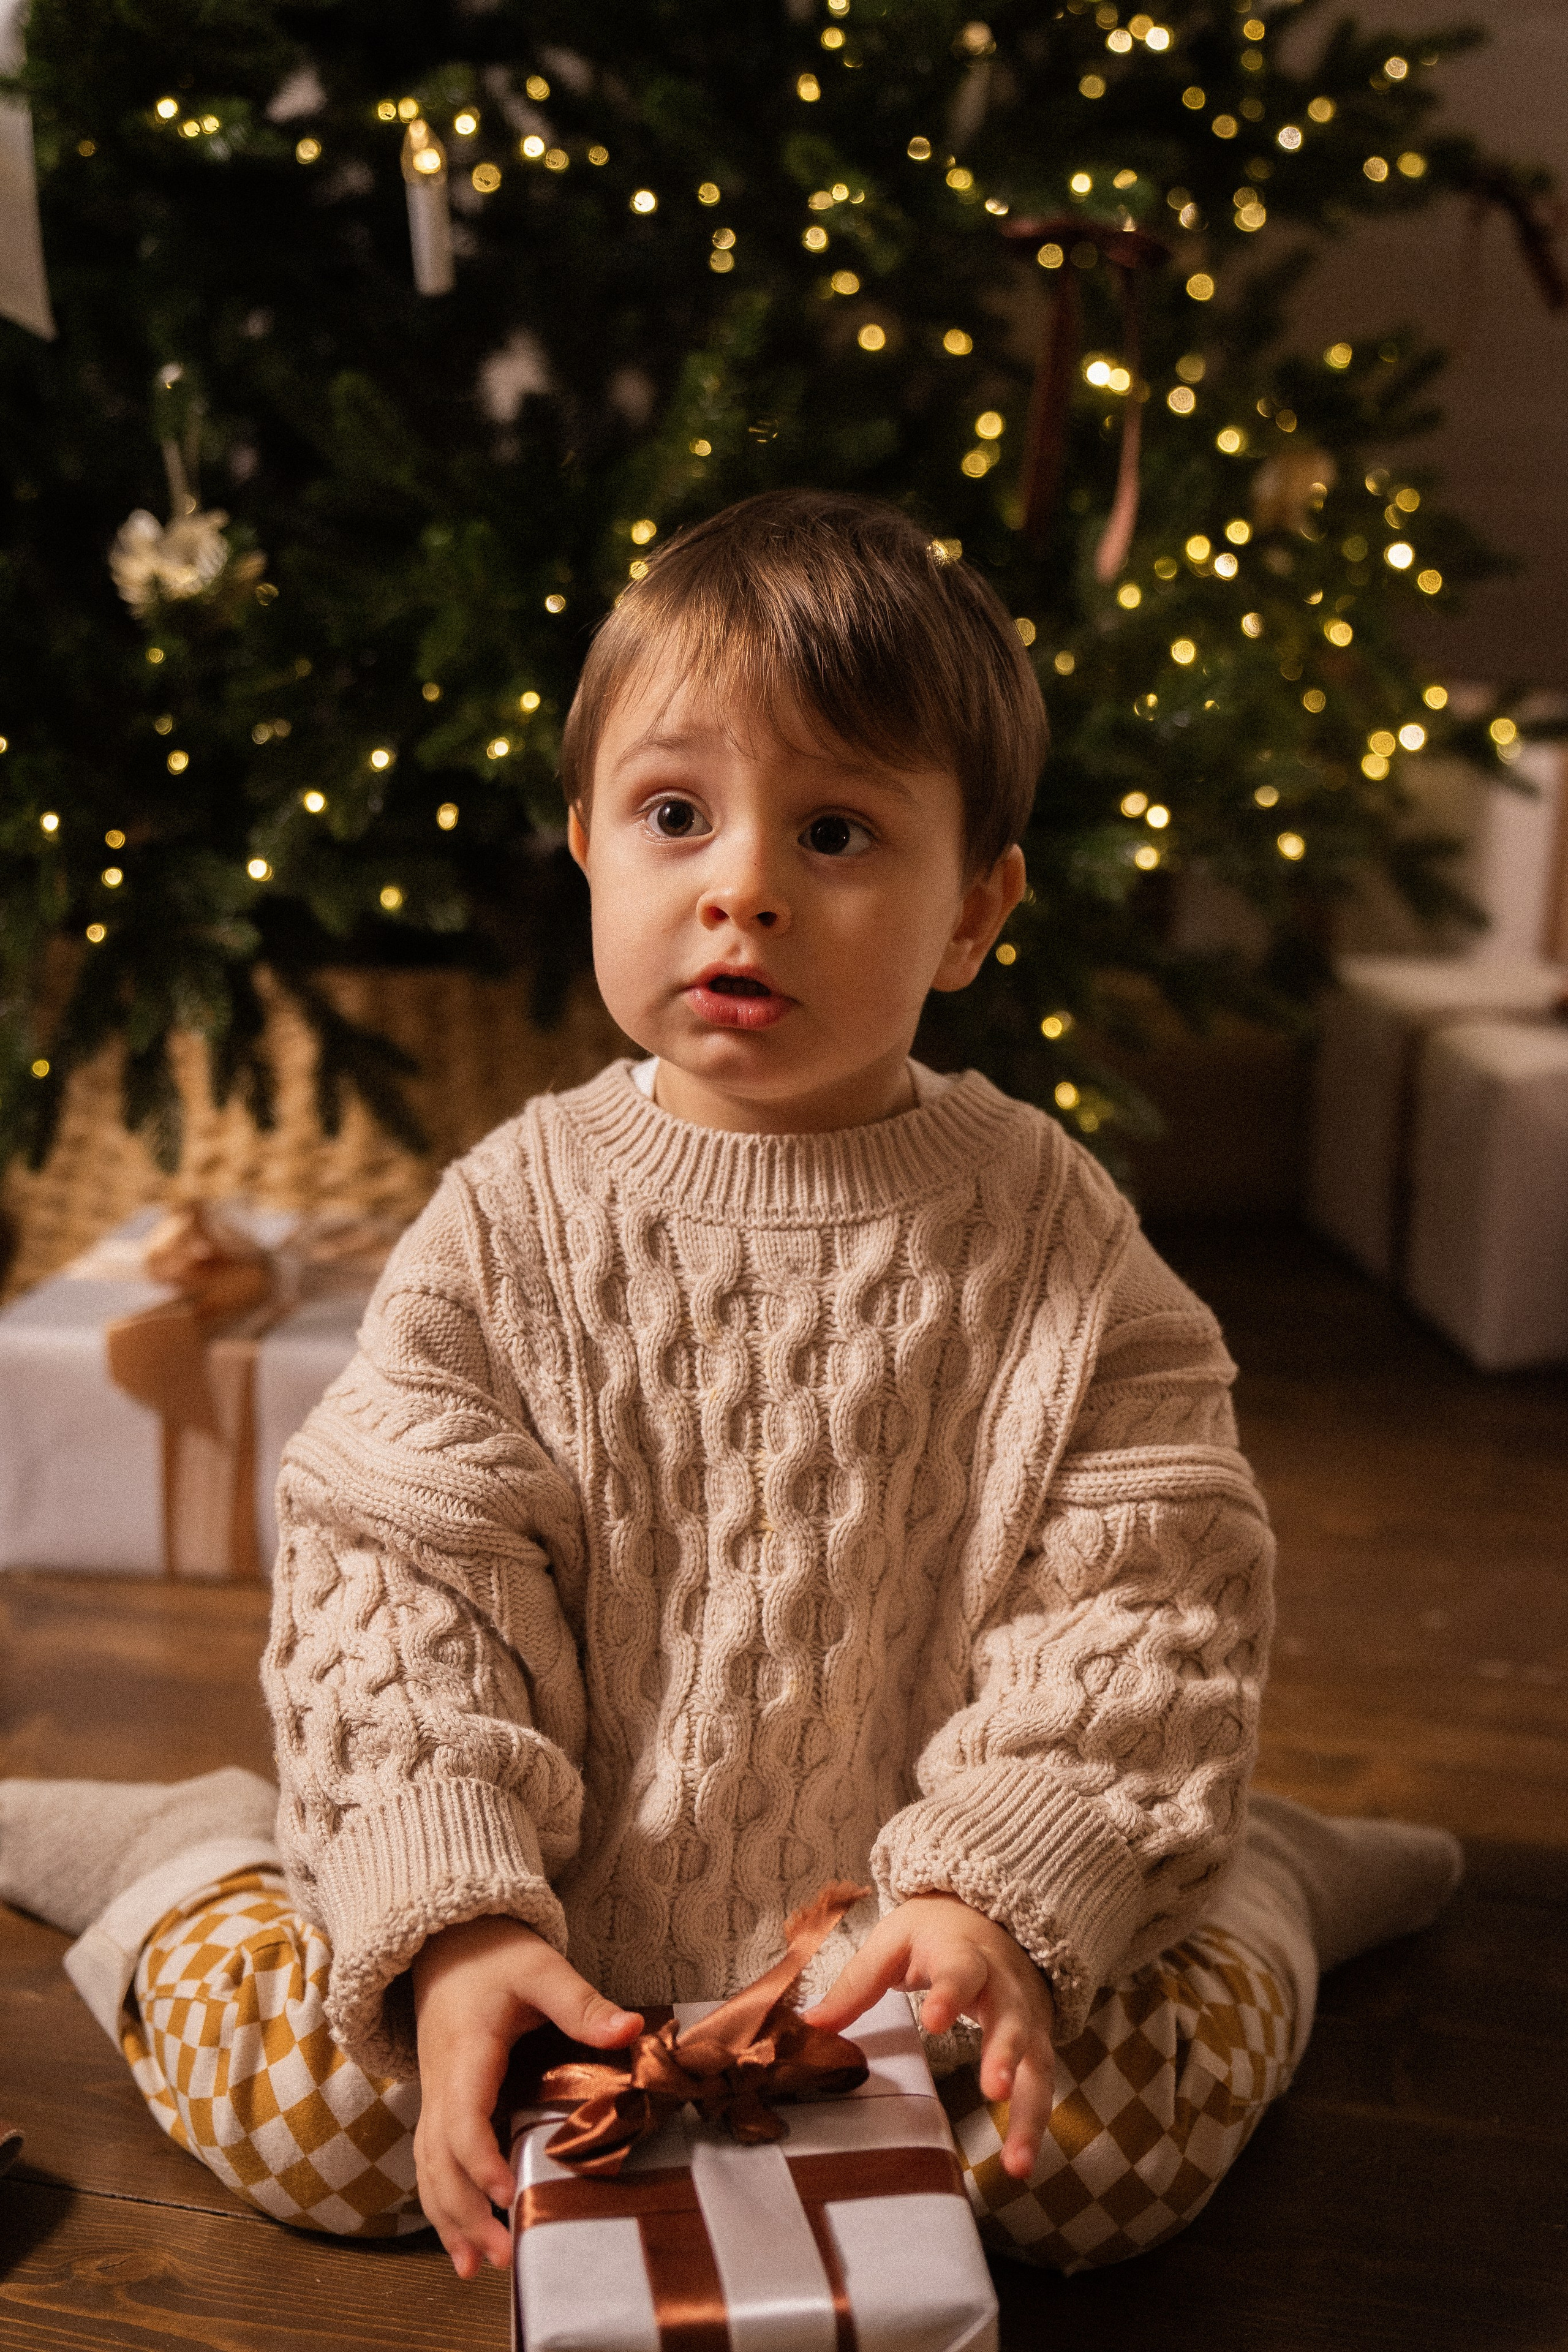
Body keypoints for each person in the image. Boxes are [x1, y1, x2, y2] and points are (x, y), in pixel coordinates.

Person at [0, 491, 1461, 2277]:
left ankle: (1264, 1893)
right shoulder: (505, 1226)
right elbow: (397, 1586)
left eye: (836, 830)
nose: (742, 883)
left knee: (1096, 2174)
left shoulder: (1056, 1242)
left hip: (907, 1952)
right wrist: (452, 1923)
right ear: (590, 849)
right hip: (553, 1942)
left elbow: (1150, 1602)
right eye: (675, 814)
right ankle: (186, 1860)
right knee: (337, 2135)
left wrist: (997, 1884)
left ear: (973, 913)